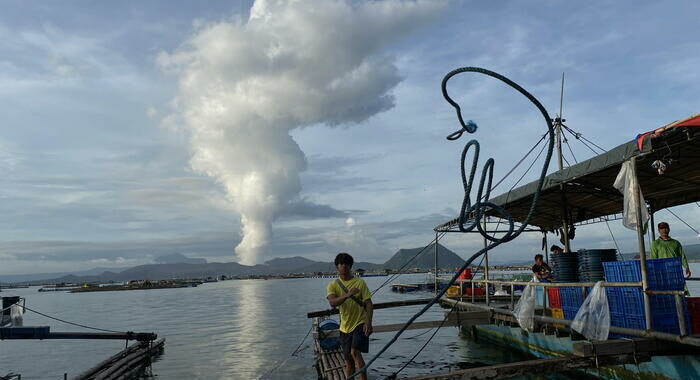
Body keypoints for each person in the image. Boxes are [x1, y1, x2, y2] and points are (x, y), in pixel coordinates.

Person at [326, 253, 373, 380]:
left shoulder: (360, 283)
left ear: (350, 266)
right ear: (337, 266)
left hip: (360, 323)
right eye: (341, 264)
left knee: (355, 352)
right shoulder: (333, 285)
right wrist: (347, 295)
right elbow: (332, 302)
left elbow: (368, 303)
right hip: (344, 327)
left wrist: (369, 322)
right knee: (348, 361)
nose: (344, 266)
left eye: (346, 264)